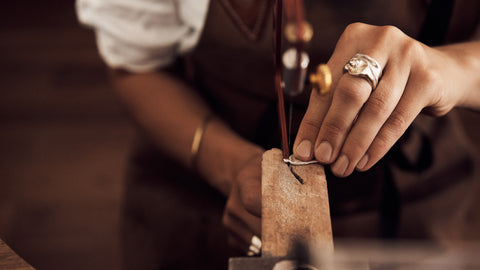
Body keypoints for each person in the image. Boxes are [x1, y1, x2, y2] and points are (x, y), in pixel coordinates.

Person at [77, 0, 480, 269]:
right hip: (198, 201)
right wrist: (228, 165)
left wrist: (455, 68)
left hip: (415, 203)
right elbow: (136, 66)